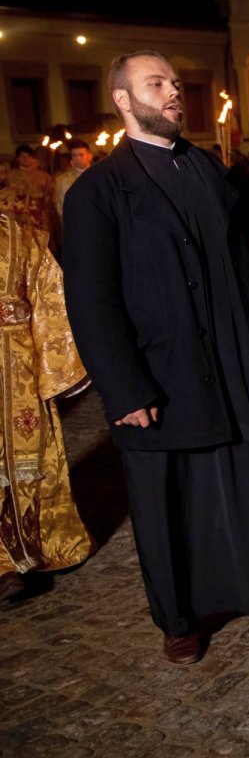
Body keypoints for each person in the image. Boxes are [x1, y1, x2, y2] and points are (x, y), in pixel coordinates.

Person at [61, 50, 249, 664]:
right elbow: (91, 300)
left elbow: (246, 267)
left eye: (173, 82)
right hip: (159, 376)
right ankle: (180, 618)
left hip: (237, 365)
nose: (172, 93)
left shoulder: (210, 170)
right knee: (170, 500)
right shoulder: (98, 191)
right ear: (122, 99)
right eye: (155, 83)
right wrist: (124, 388)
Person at [0, 211, 92, 603]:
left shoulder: (23, 236)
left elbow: (50, 301)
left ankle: (29, 548)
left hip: (18, 371)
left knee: (25, 464)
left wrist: (53, 370)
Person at [54, 140, 92, 218]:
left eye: (81, 155)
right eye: (74, 155)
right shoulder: (61, 180)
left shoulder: (101, 176)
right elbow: (60, 206)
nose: (77, 158)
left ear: (89, 156)